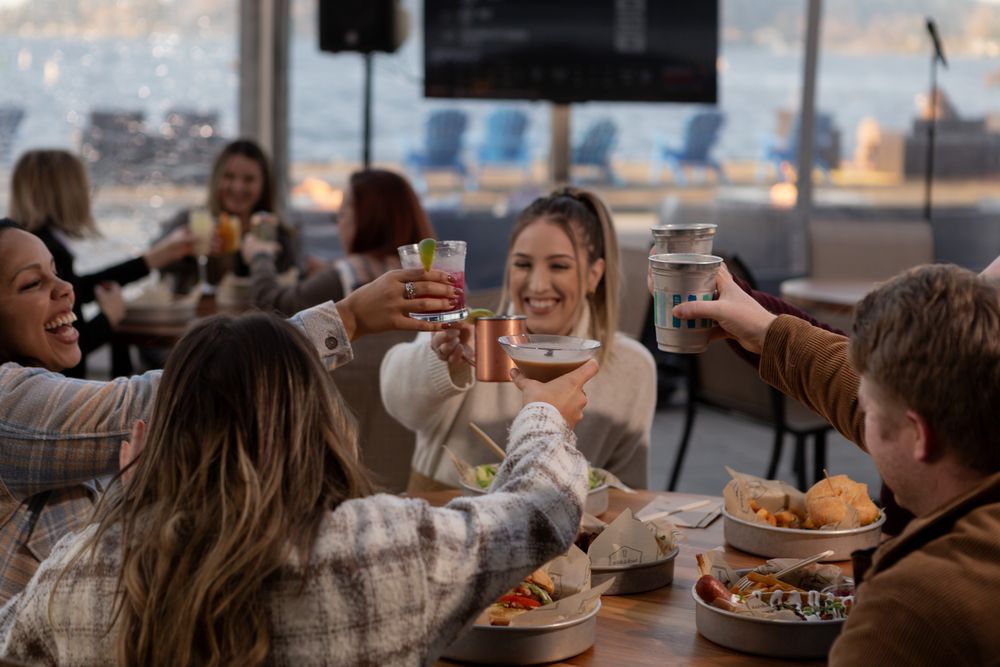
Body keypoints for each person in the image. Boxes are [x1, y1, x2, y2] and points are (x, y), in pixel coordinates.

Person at [0, 312, 597, 666]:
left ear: (164, 431)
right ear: (317, 420)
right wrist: (543, 415)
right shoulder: (382, 550)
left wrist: (129, 510)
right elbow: (540, 514)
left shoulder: (76, 576)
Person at [0, 217, 460, 605]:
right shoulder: (7, 407)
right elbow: (162, 401)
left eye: (57, 272)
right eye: (33, 283)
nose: (65, 289)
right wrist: (349, 317)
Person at [672, 263, 1000, 665]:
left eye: (871, 409)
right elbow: (845, 377)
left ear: (921, 436)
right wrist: (766, 329)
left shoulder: (907, 613)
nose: (862, 416)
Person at [381, 187, 656, 490]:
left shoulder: (633, 367)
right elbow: (398, 402)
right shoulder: (472, 335)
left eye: (559, 266)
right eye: (523, 264)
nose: (537, 285)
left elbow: (627, 495)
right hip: (447, 520)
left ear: (594, 275)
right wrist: (443, 360)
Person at [8, 149, 195, 377]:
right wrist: (107, 318)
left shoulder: (36, 244)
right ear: (66, 194)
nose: (66, 288)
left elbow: (80, 286)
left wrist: (153, 259)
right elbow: (72, 342)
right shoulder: (51, 248)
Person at [244, 168, 436, 316]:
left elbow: (271, 307)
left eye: (341, 214)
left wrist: (260, 255)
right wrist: (328, 271)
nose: (339, 225)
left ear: (367, 219)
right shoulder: (426, 274)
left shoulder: (346, 276)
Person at [158, 139, 296, 294]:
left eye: (249, 179)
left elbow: (289, 286)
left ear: (264, 185)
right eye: (229, 177)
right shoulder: (190, 222)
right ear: (216, 178)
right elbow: (155, 262)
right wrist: (187, 254)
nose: (238, 187)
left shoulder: (278, 234)